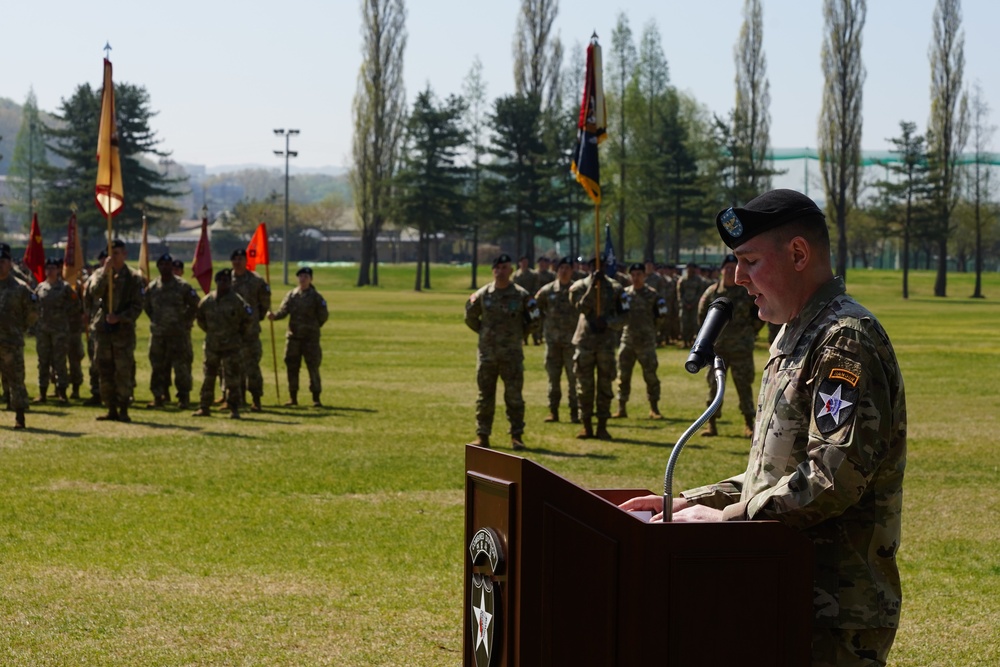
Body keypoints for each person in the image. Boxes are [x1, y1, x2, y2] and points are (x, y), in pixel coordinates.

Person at [620, 189, 906, 667]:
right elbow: (772, 475)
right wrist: (693, 502)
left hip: (832, 609)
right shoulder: (795, 334)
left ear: (798, 253)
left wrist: (729, 520)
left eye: (750, 261)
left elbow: (832, 478)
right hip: (784, 588)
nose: (737, 278)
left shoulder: (844, 340)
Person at [464, 253, 540, 450]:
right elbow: (469, 316)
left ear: (511, 271)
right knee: (485, 397)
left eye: (504, 267)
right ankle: (482, 435)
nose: (500, 271)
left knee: (514, 397)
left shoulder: (521, 295)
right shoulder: (483, 294)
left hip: (512, 355)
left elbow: (536, 319)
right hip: (487, 355)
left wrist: (519, 334)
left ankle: (516, 436)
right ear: (493, 270)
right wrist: (484, 332)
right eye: (497, 268)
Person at [698, 253, 765, 438]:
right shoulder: (712, 293)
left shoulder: (746, 292)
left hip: (741, 348)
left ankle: (748, 424)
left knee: (744, 386)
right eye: (726, 268)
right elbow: (702, 316)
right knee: (714, 385)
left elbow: (758, 314)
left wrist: (751, 332)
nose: (728, 271)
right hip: (717, 350)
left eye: (732, 268)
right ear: (721, 271)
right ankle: (711, 424)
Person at [87, 239, 144, 423]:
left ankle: (124, 408)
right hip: (103, 330)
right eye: (111, 254)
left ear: (125, 254)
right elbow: (94, 293)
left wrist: (120, 317)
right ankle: (110, 407)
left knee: (123, 370)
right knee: (104, 369)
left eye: (117, 253)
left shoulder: (134, 278)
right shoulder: (100, 273)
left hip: (123, 332)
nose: (114, 257)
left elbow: (137, 306)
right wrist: (105, 273)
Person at [569, 257, 624, 440]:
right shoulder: (578, 287)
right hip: (585, 343)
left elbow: (625, 316)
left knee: (605, 385)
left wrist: (608, 323)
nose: (597, 270)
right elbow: (581, 308)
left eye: (601, 267)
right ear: (589, 268)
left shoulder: (616, 288)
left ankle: (602, 425)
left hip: (606, 344)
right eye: (593, 267)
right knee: (584, 387)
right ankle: (586, 425)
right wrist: (593, 287)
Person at [193, 269, 252, 419]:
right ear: (216, 282)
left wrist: (238, 335)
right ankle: (204, 406)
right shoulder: (208, 300)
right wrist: (211, 332)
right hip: (212, 345)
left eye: (226, 281)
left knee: (232, 377)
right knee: (209, 376)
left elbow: (247, 320)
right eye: (220, 280)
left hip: (231, 345)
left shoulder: (237, 301)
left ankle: (234, 408)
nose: (223, 283)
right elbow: (200, 318)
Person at [143, 253, 200, 409]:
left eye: (168, 265)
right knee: (158, 367)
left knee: (181, 367)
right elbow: (147, 307)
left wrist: (186, 321)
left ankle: (184, 397)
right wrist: (156, 320)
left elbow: (196, 304)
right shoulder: (153, 287)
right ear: (158, 267)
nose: (165, 267)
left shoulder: (183, 286)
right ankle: (158, 397)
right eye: (162, 265)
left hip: (178, 334)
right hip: (159, 335)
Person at [268, 266, 329, 407]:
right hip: (293, 338)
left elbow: (323, 315)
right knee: (292, 366)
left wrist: (313, 327)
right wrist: (274, 316)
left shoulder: (316, 297)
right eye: (300, 276)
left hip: (310, 339)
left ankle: (316, 397)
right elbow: (283, 311)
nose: (303, 279)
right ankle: (293, 397)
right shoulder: (291, 295)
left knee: (313, 367)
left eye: (306, 277)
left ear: (311, 279)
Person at [613, 262, 665, 420]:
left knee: (651, 377)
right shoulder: (624, 294)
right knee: (623, 377)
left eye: (639, 275)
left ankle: (654, 408)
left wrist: (650, 331)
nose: (635, 278)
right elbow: (618, 315)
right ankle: (621, 408)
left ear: (644, 276)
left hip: (646, 343)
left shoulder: (653, 295)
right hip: (628, 341)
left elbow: (661, 316)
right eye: (633, 275)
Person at [534, 256, 579, 424]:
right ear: (557, 271)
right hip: (552, 342)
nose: (564, 271)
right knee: (553, 378)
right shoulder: (547, 291)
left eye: (567, 268)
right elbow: (535, 308)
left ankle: (575, 412)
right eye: (561, 268)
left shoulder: (577, 289)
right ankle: (553, 411)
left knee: (574, 378)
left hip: (572, 342)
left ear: (572, 270)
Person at [0, 247, 38, 428]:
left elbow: (33, 311)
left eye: (2, 262)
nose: (0, 266)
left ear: (9, 264)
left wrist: (19, 328)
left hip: (11, 341)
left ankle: (20, 416)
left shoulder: (20, 287)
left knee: (16, 379)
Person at [230, 248, 271, 411]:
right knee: (232, 366)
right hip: (232, 331)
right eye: (235, 259)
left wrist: (255, 318)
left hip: (250, 331)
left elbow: (265, 302)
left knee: (252, 366)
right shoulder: (227, 280)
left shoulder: (256, 280)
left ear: (246, 261)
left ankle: (256, 399)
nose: (237, 262)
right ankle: (236, 399)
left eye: (241, 259)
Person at [32, 257, 77, 404]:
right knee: (43, 361)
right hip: (43, 330)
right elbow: (34, 307)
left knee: (59, 362)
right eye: (48, 268)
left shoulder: (65, 287)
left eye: (53, 268)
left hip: (60, 330)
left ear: (58, 270)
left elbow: (75, 305)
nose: (50, 271)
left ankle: (62, 392)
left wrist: (64, 316)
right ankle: (42, 392)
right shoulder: (40, 288)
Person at [676, 262, 707, 347]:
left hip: (695, 306)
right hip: (684, 306)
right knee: (684, 323)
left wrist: (693, 303)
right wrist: (684, 303)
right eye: (688, 269)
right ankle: (685, 341)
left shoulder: (699, 280)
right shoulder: (682, 280)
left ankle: (694, 341)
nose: (690, 270)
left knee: (695, 323)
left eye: (692, 269)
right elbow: (679, 294)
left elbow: (700, 293)